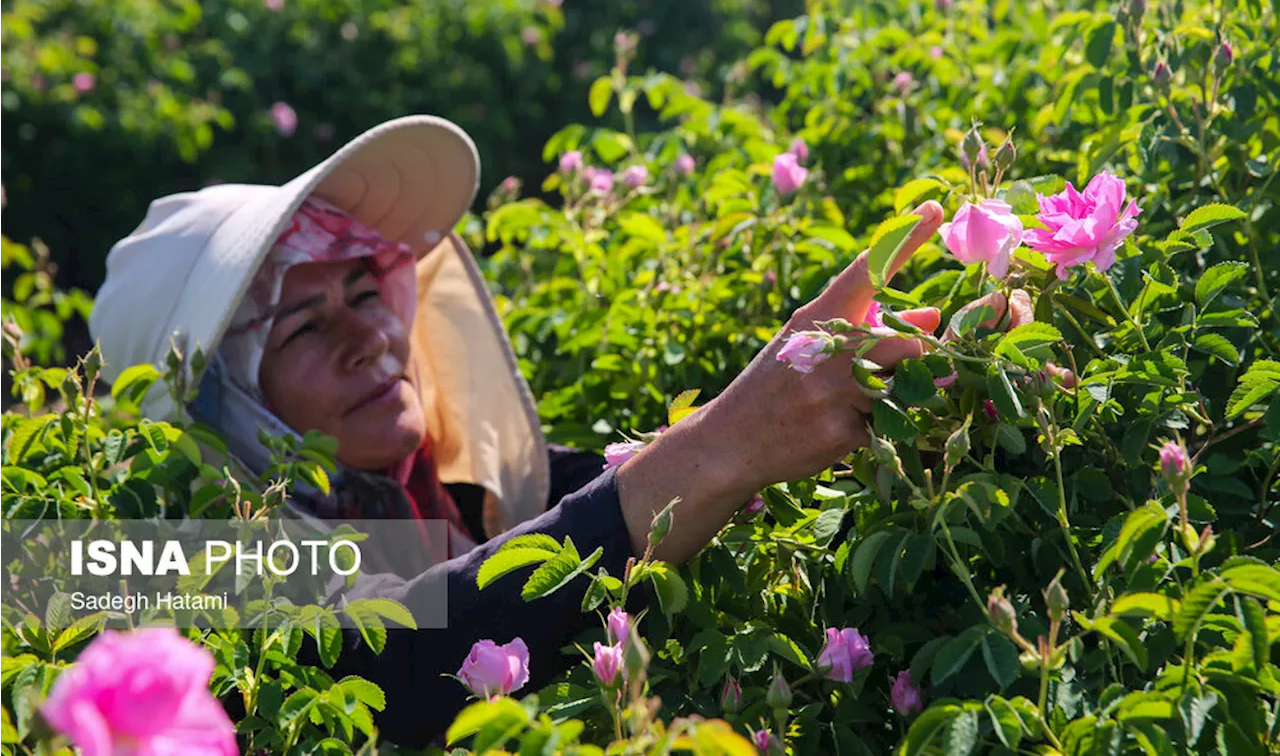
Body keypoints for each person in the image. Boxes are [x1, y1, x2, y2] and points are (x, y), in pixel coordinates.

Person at [89, 115, 1034, 747]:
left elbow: (600, 495)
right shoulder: (134, 574)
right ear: (218, 408)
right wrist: (722, 444)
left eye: (366, 288)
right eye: (300, 325)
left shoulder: (466, 495)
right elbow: (390, 652)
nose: (368, 337)